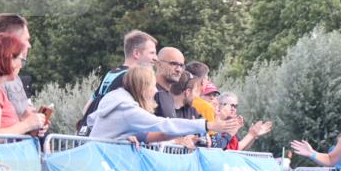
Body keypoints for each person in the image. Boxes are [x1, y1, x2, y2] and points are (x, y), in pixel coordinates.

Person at [86, 66, 236, 143]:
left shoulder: (115, 99)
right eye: (152, 86)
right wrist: (207, 126)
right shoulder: (127, 109)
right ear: (142, 87)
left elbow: (92, 120)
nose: (154, 91)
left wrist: (124, 136)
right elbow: (164, 125)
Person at [76, 30, 157, 131]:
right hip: (106, 137)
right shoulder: (132, 78)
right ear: (136, 53)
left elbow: (86, 108)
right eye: (152, 53)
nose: (155, 58)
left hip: (89, 132)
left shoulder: (111, 73)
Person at [0, 13, 35, 119]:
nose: (29, 45)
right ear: (12, 41)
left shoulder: (15, 77)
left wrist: (35, 123)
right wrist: (26, 123)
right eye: (26, 39)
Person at [154, 47, 185, 118]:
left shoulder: (169, 94)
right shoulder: (150, 92)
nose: (178, 70)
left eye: (181, 65)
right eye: (173, 64)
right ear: (159, 64)